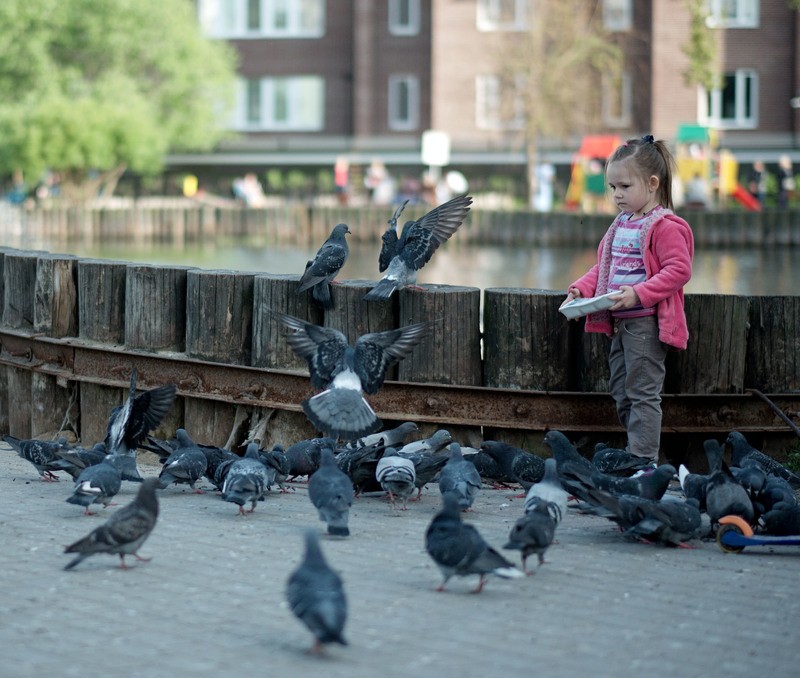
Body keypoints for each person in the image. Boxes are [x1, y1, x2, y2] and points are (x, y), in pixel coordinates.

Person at [562, 135, 694, 470]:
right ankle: (638, 452)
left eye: (624, 186)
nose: (617, 195)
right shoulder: (622, 223)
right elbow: (606, 266)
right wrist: (581, 290)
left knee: (643, 394)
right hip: (620, 324)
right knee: (621, 391)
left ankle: (644, 461)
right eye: (612, 187)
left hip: (645, 323)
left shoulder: (663, 226)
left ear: (652, 184)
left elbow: (679, 270)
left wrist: (639, 293)